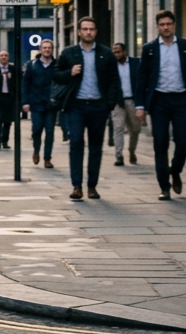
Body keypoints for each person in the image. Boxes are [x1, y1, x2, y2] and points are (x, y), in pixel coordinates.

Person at [136, 10, 186, 199]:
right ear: (157, 26)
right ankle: (164, 187)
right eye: (162, 24)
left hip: (182, 99)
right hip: (159, 100)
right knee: (160, 143)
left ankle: (175, 170)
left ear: (174, 25)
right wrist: (140, 105)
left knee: (183, 141)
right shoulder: (149, 49)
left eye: (169, 24)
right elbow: (142, 78)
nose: (165, 27)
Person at [54, 18, 121, 200]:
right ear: (78, 32)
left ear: (96, 32)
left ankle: (92, 186)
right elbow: (56, 75)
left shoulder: (106, 54)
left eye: (91, 29)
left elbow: (114, 80)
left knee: (95, 147)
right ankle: (77, 186)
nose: (88, 32)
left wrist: (109, 104)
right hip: (76, 105)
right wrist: (70, 72)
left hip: (98, 106)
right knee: (76, 143)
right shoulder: (69, 53)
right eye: (85, 29)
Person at [21, 39, 59, 168]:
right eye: (45, 48)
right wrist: (25, 102)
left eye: (49, 48)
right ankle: (36, 150)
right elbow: (25, 84)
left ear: (52, 50)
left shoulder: (56, 65)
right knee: (37, 129)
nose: (47, 50)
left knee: (50, 131)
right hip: (36, 104)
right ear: (40, 50)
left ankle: (47, 158)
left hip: (51, 104)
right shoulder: (32, 65)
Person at [111, 42, 144, 167]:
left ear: (125, 51)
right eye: (114, 52)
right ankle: (119, 156)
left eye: (119, 52)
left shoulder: (136, 63)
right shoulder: (112, 66)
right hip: (118, 102)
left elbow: (142, 82)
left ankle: (132, 151)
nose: (116, 54)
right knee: (118, 128)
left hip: (133, 101)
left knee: (135, 129)